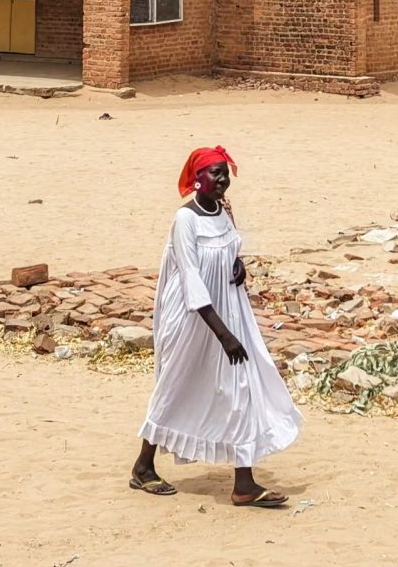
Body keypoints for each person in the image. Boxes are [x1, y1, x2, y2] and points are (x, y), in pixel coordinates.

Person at [129, 146, 301, 507]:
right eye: (215, 174)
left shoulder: (224, 211)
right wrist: (223, 335)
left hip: (229, 309)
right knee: (176, 387)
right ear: (196, 179)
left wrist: (238, 266)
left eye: (225, 173)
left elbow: (229, 249)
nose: (222, 180)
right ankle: (143, 467)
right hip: (194, 318)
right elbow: (191, 277)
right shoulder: (185, 220)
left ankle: (244, 484)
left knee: (240, 387)